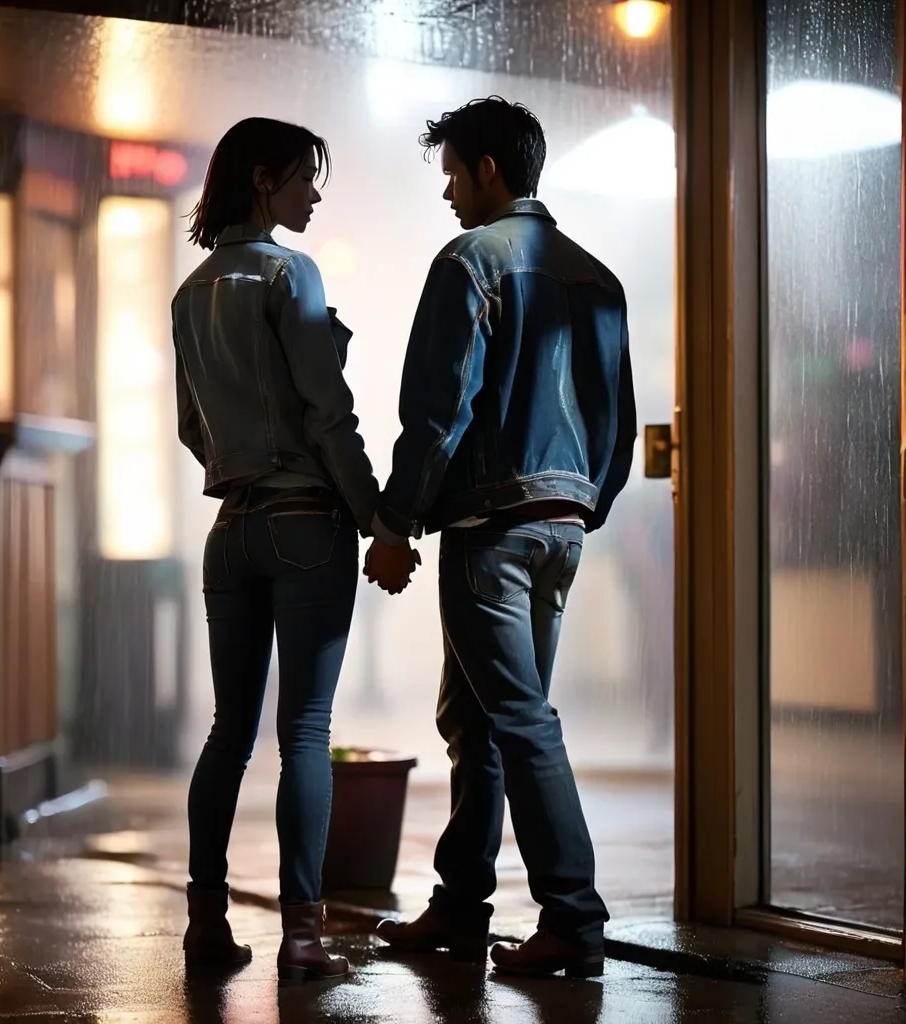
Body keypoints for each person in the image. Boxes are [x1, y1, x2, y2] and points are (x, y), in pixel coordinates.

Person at [365, 97, 637, 977]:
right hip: (562, 528)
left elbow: (438, 414)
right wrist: (583, 507)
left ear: (488, 168)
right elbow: (617, 424)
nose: (446, 191)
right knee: (479, 718)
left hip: (490, 529)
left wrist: (397, 521)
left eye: (451, 171)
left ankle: (573, 918)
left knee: (515, 720)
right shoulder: (597, 277)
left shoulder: (469, 263)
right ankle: (458, 907)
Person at [173, 117, 378, 984]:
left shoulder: (189, 294)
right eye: (303, 176)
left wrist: (239, 466)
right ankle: (303, 938)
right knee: (305, 731)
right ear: (263, 181)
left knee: (230, 731)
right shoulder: (291, 273)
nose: (313, 193)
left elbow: (191, 426)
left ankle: (206, 924)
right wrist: (377, 516)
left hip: (232, 533)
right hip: (306, 524)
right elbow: (328, 411)